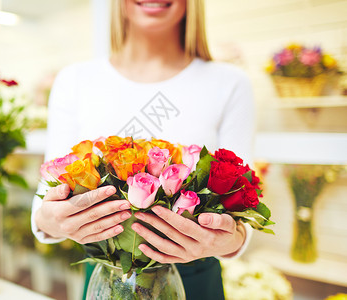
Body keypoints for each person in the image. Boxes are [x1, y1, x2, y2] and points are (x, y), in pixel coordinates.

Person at [32, 0, 254, 298]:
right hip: (109, 276)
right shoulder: (75, 81)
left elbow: (244, 199)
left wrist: (233, 239)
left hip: (195, 278)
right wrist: (49, 220)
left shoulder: (229, 83)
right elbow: (47, 194)